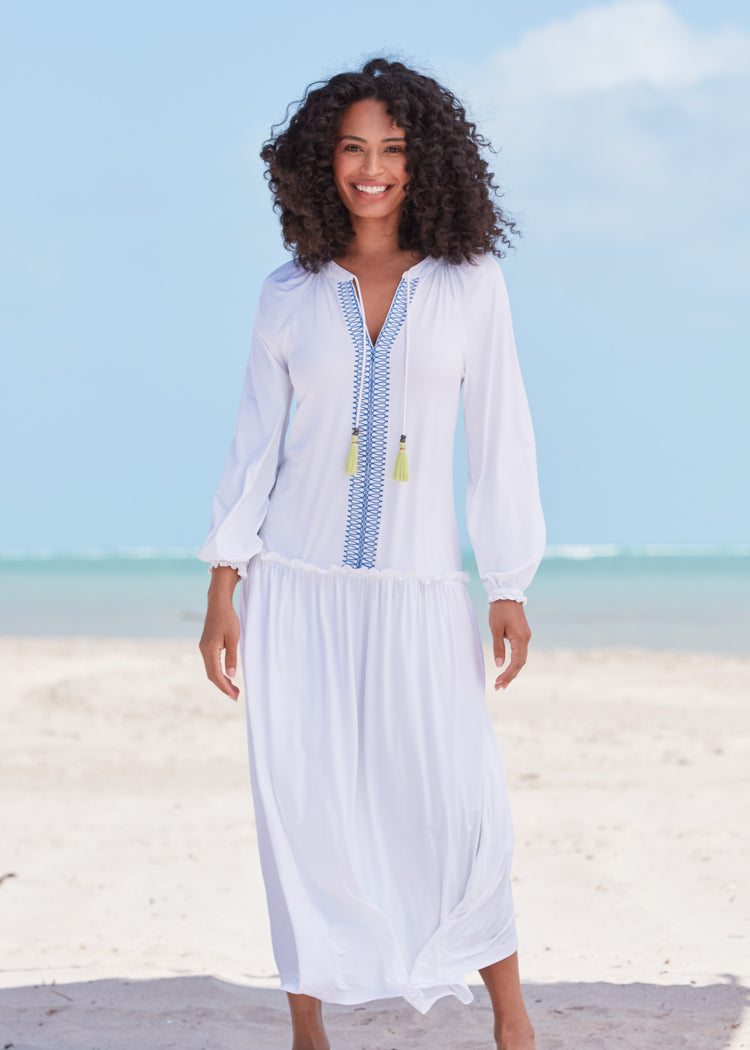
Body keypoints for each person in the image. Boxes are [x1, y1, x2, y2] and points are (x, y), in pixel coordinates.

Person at [198, 57, 545, 1050]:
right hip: (293, 592)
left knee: (457, 803)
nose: (372, 169)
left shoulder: (473, 286)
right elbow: (255, 446)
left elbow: (503, 435)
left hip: (424, 594)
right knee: (302, 809)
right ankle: (311, 1030)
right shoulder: (288, 294)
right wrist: (225, 585)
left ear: (424, 162)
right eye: (352, 148)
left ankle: (511, 1020)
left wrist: (508, 580)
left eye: (392, 149)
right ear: (322, 162)